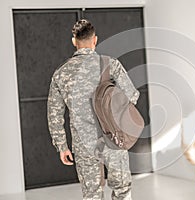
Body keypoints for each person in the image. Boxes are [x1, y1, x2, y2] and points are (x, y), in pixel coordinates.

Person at [47, 19, 140, 200]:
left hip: (83, 144)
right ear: (95, 40)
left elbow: (55, 114)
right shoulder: (110, 64)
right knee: (122, 189)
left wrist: (62, 147)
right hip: (114, 137)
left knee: (91, 194)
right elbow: (132, 97)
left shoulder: (61, 73)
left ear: (74, 41)